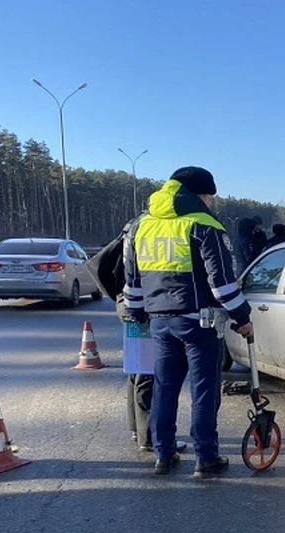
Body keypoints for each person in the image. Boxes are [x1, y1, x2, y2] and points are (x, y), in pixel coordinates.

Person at [123, 166, 253, 477]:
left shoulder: (142, 225)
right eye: (210, 196)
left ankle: (163, 454)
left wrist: (137, 314)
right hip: (199, 323)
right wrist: (242, 317)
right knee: (204, 391)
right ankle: (206, 457)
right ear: (197, 195)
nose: (212, 203)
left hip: (159, 323)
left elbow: (133, 280)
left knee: (165, 388)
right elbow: (222, 284)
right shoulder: (204, 225)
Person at [87, 215, 186, 454]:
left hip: (128, 303)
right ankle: (149, 437)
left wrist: (121, 299)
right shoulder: (150, 228)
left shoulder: (132, 227)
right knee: (148, 373)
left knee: (138, 368)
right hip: (143, 306)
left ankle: (137, 428)